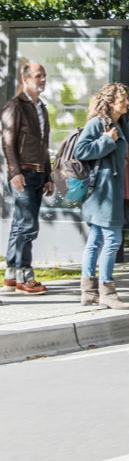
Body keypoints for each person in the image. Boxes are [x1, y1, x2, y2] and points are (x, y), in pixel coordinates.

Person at [73, 83, 129, 309]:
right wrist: (107, 141)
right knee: (113, 241)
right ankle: (107, 292)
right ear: (110, 103)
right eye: (122, 100)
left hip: (118, 188)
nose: (127, 103)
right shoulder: (97, 124)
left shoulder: (123, 124)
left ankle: (89, 292)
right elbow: (80, 151)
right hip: (103, 193)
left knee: (96, 240)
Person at [1, 62, 54, 295]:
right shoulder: (14, 106)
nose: (42, 79)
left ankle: (11, 274)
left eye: (44, 75)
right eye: (37, 76)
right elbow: (7, 141)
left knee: (20, 225)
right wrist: (14, 172)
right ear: (25, 80)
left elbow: (44, 146)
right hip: (22, 172)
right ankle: (25, 275)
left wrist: (49, 175)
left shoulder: (41, 107)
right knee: (27, 225)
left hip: (38, 172)